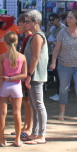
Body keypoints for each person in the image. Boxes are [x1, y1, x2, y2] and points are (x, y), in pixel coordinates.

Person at [0, 31, 27, 147]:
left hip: (4, 86)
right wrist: (12, 78)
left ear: (5, 42)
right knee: (17, 113)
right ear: (16, 43)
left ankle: (2, 140)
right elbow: (24, 75)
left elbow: (0, 77)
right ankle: (17, 139)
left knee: (2, 113)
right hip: (17, 86)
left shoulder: (2, 57)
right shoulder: (22, 57)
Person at [23, 10, 48, 144]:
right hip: (34, 75)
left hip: (36, 76)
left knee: (38, 105)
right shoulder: (34, 36)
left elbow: (35, 57)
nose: (25, 24)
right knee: (33, 105)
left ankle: (41, 135)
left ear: (35, 22)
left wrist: (29, 75)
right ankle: (35, 133)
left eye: (28, 22)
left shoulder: (37, 36)